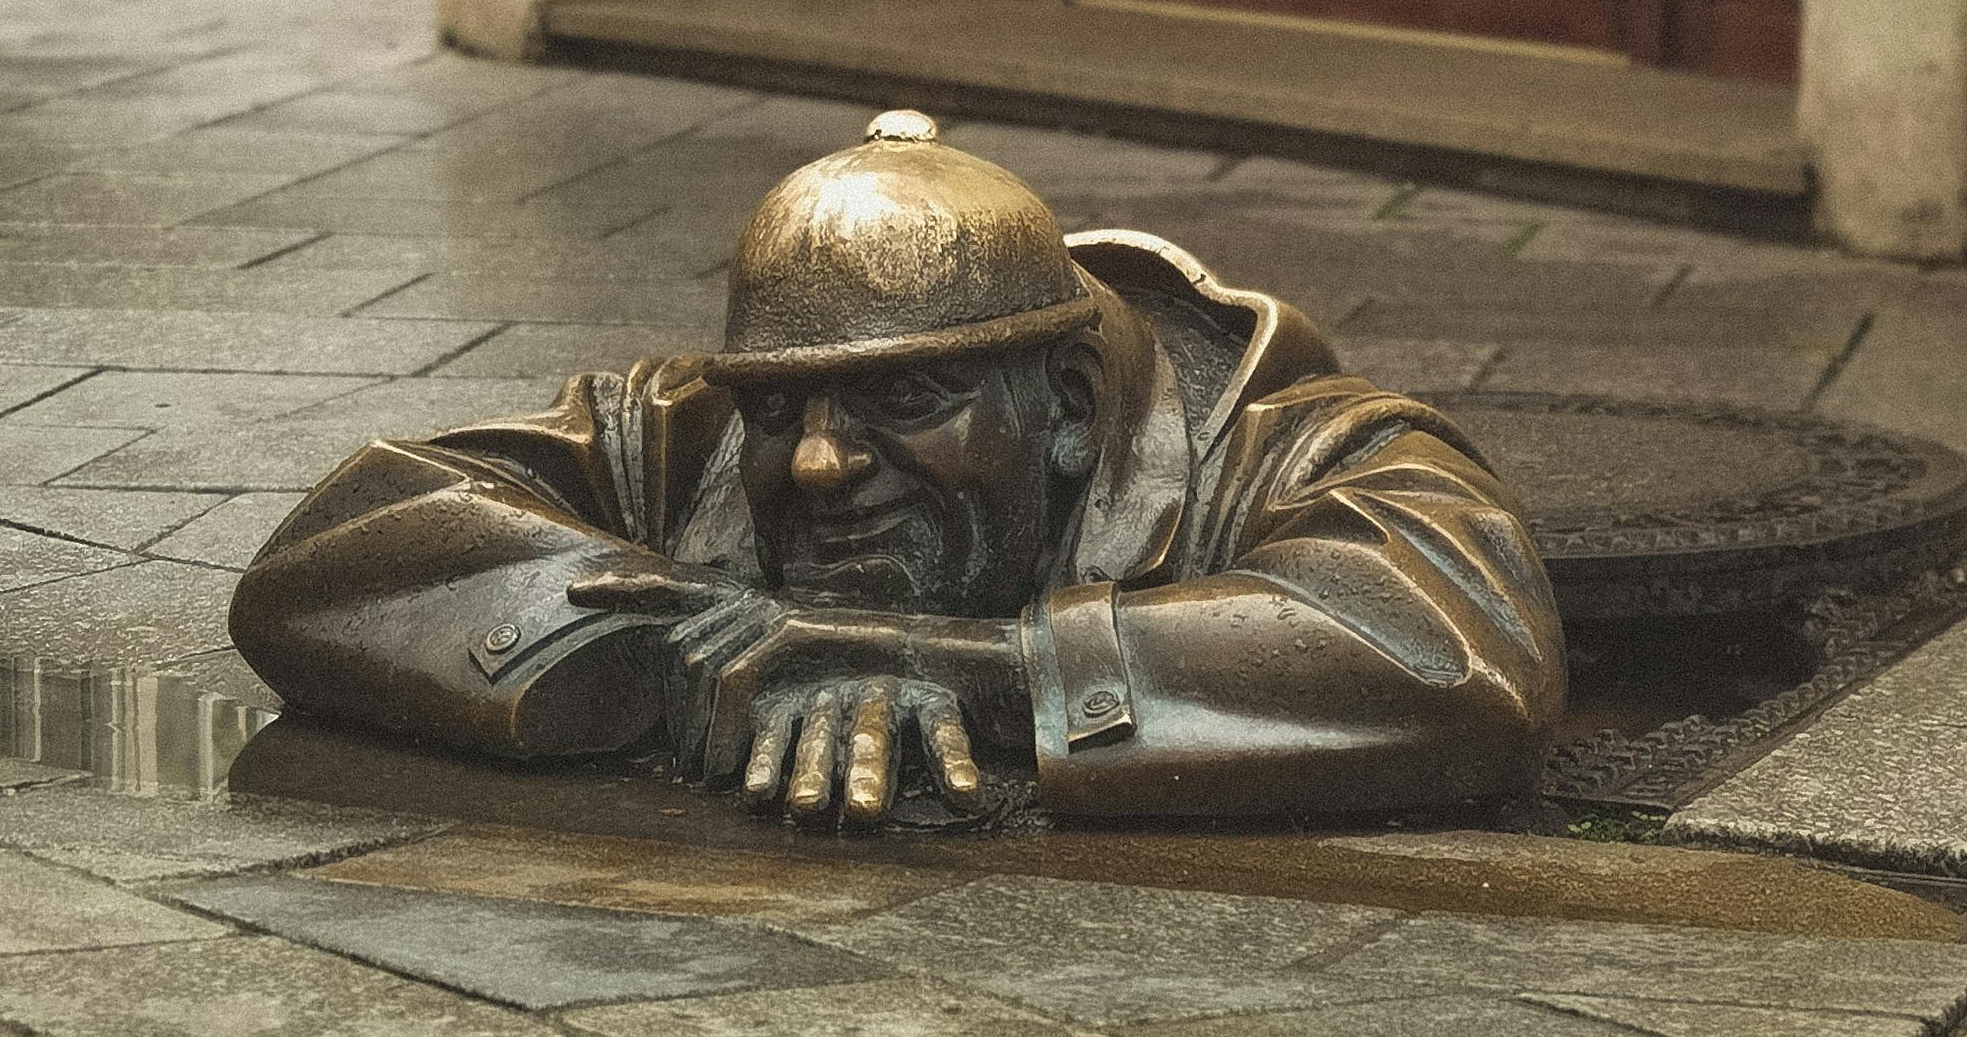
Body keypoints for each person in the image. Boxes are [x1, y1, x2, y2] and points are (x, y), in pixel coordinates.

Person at [231, 111, 1564, 828]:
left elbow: (1453, 654)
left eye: (904, 402)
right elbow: (338, 549)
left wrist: (966, 672)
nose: (816, 459)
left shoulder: (1297, 443)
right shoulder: (700, 426)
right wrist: (677, 646)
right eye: (783, 407)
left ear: (1067, 405)